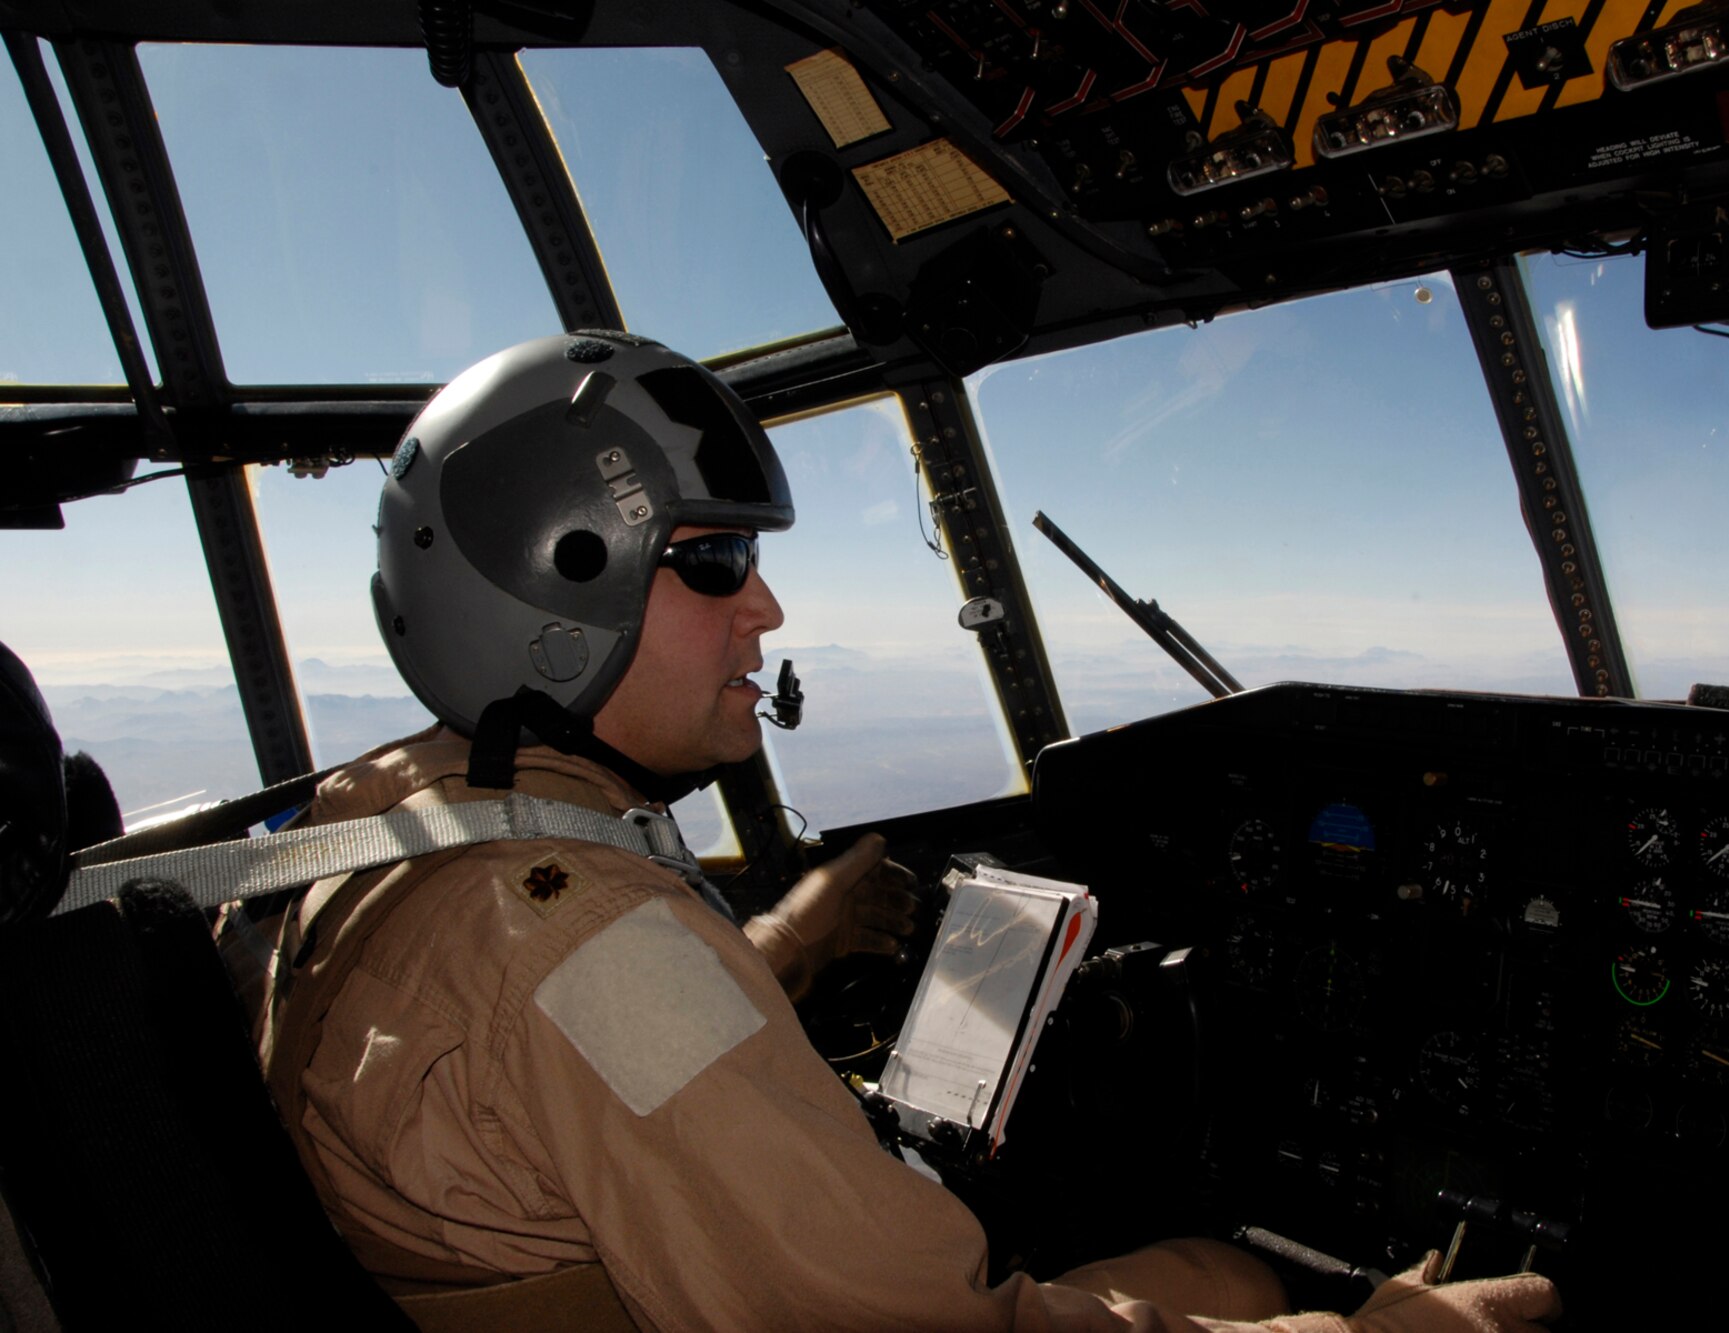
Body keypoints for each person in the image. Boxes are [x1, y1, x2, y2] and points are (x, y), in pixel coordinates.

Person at [240, 331, 1560, 1332]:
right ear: (552, 600)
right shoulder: (593, 935)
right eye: (713, 564)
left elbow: (549, 1066)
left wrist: (778, 948)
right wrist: (1395, 1325)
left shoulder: (388, 816)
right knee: (1221, 1264)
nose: (764, 608)